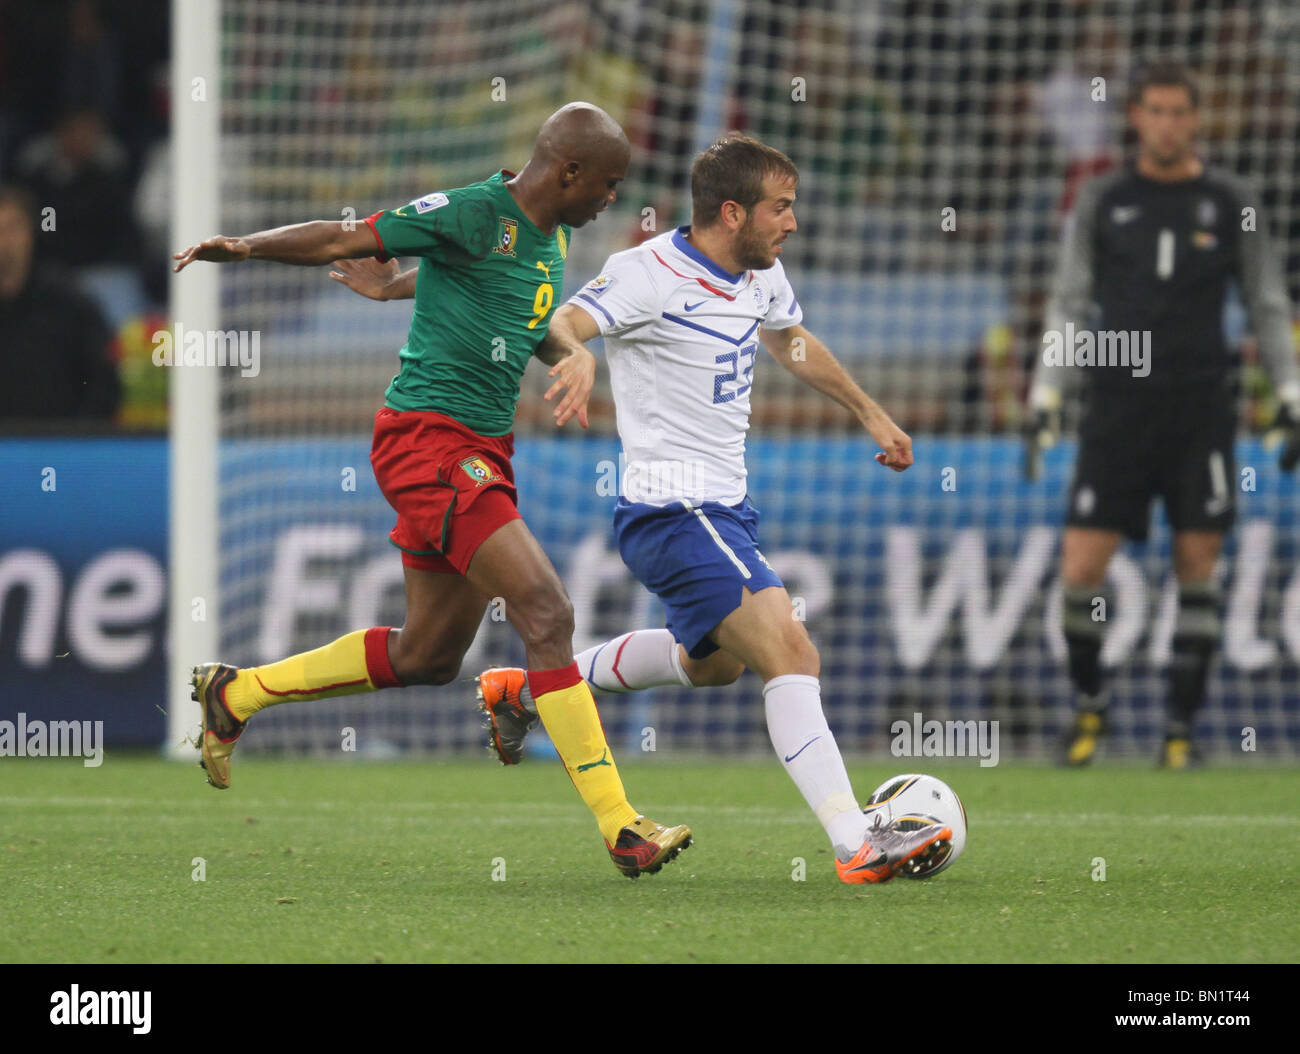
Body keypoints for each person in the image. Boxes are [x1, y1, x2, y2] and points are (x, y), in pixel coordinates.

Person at [354, 133, 952, 884]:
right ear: (732, 213)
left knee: (714, 667)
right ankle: (856, 843)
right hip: (673, 508)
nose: (791, 223)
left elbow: (789, 340)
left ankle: (527, 689)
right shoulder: (645, 273)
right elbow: (562, 319)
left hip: (725, 507)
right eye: (781, 208)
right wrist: (573, 353)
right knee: (793, 653)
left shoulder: (759, 272)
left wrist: (869, 412)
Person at [172, 102, 691, 879]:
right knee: (546, 611)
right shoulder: (474, 209)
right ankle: (622, 827)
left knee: (428, 655)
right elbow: (346, 236)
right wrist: (246, 247)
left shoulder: (547, 236)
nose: (613, 200)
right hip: (429, 441)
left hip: (481, 447)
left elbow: (510, 309)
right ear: (569, 170)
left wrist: (570, 354)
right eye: (609, 184)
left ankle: (236, 694)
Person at [1024, 60, 1300, 768]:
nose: (1169, 124)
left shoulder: (1232, 198)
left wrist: (1291, 393)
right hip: (1115, 408)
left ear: (1196, 119)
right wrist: (1046, 394)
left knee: (1197, 562)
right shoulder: (1104, 198)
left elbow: (1268, 305)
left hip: (1202, 408)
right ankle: (1090, 713)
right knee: (1081, 562)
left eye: (1181, 111)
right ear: (1136, 118)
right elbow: (1069, 299)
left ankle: (1180, 731)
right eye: (1157, 111)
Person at [0, 185, 120, 426]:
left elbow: (104, 385)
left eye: (12, 228)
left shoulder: (70, 303)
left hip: (61, 449)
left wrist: (75, 442)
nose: (4, 242)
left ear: (30, 234)